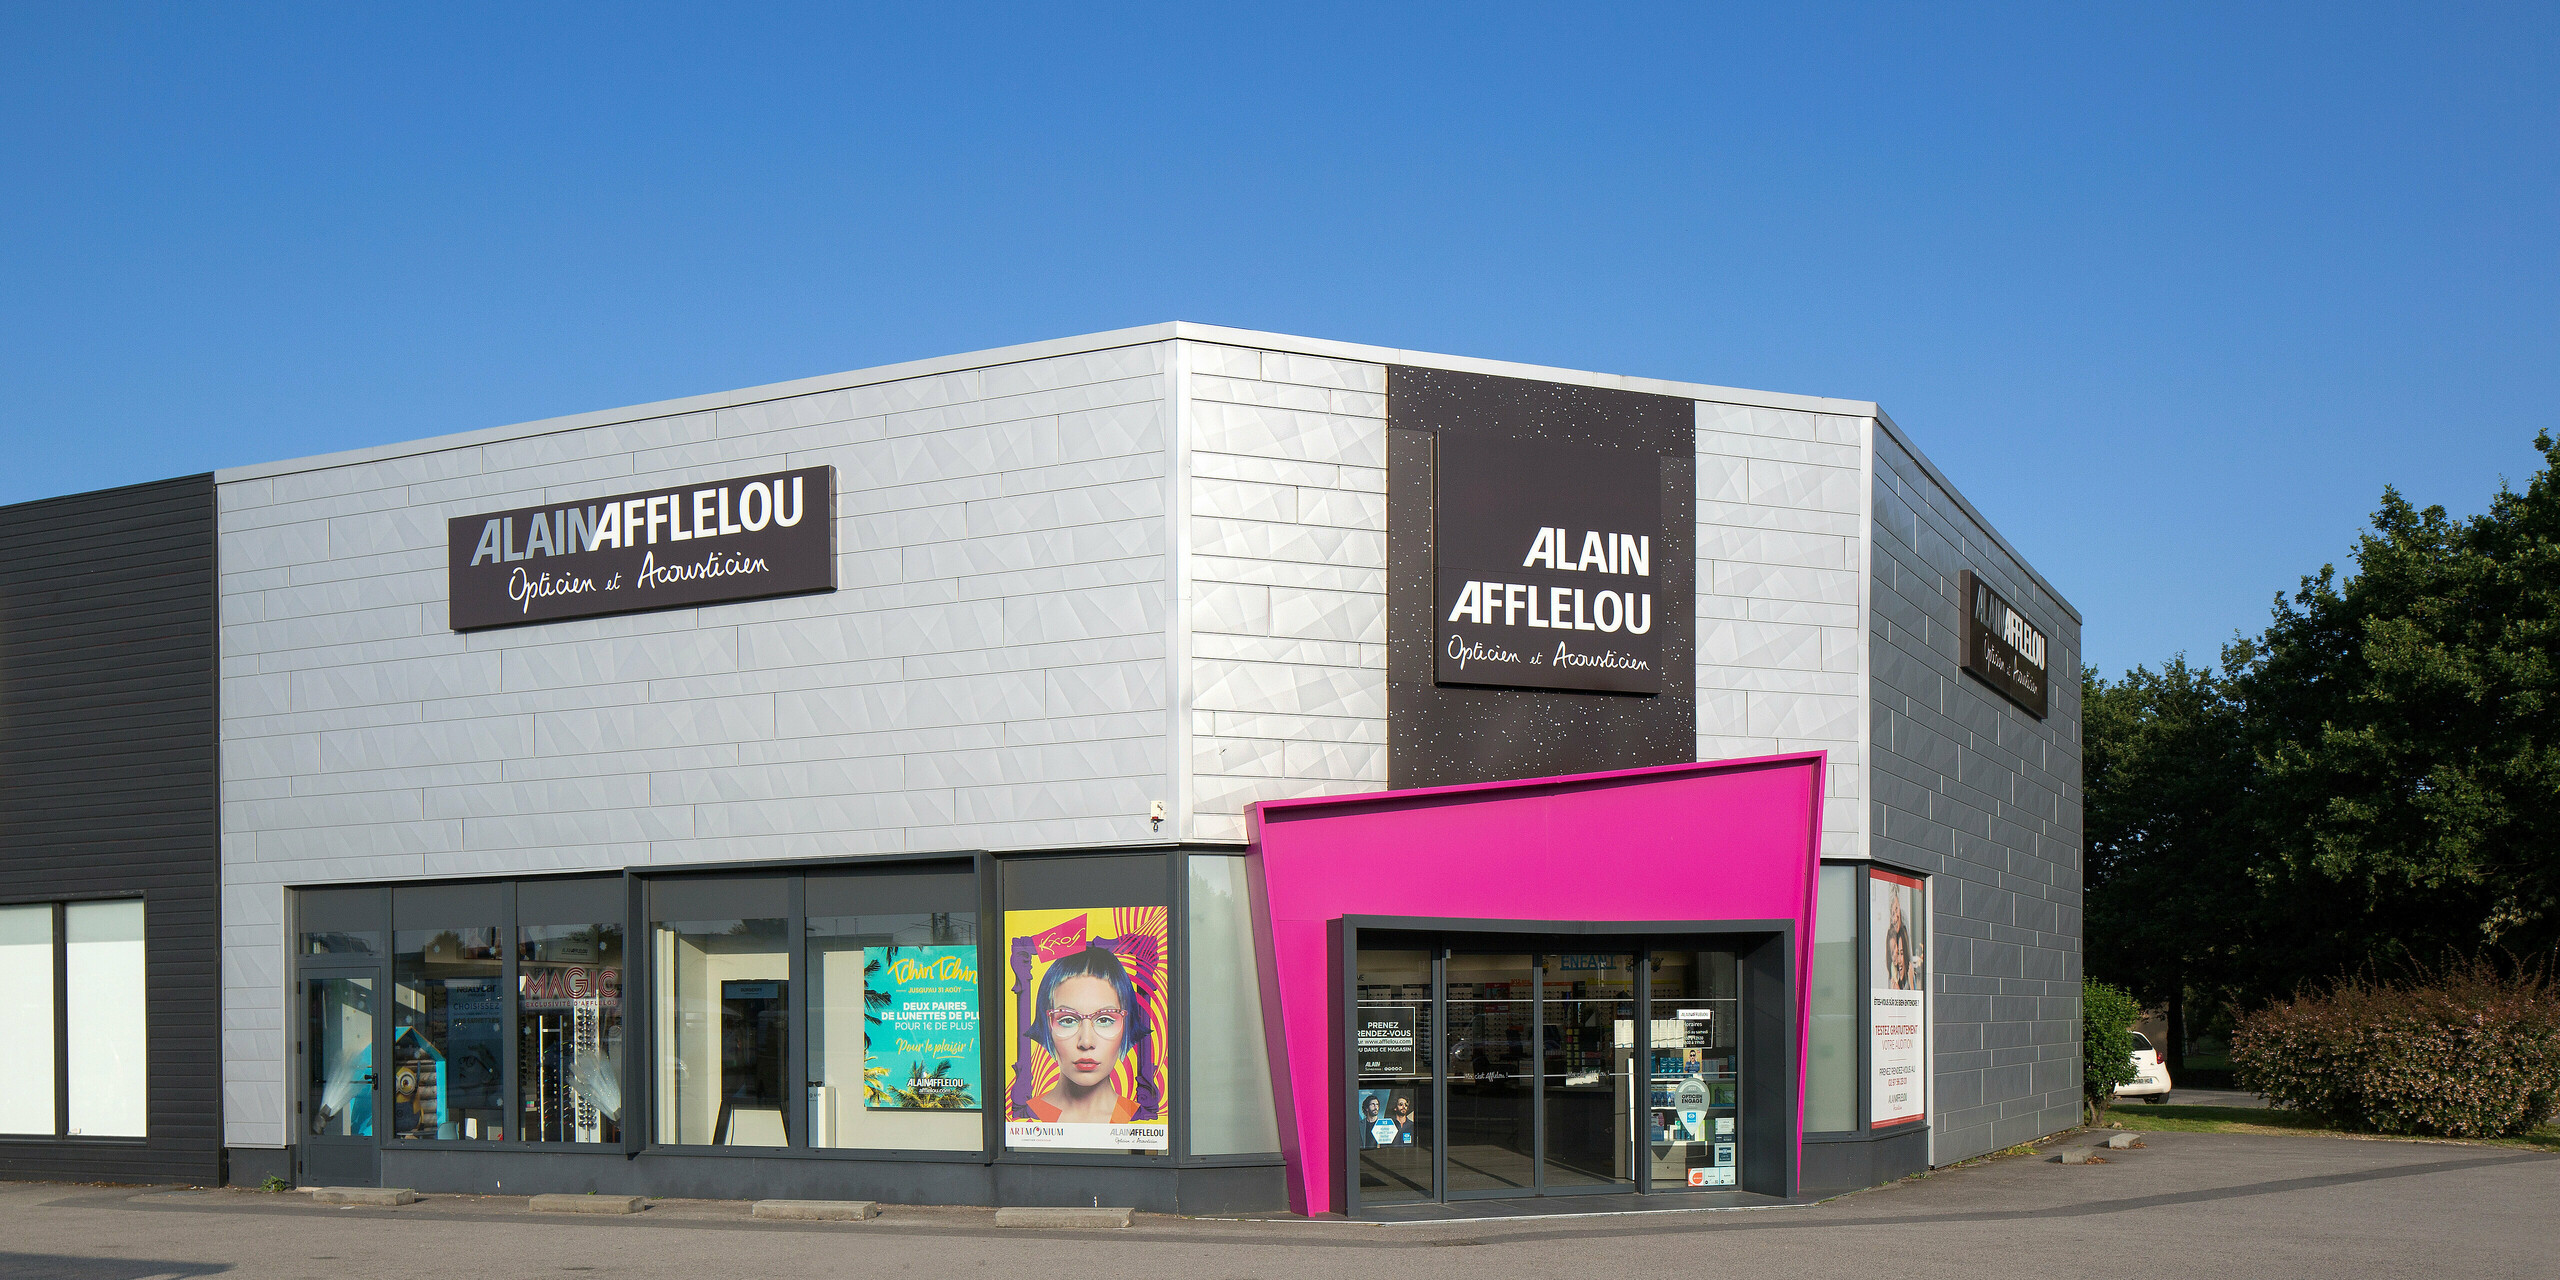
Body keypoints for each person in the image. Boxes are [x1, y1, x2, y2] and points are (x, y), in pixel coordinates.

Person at [1023, 945, 1148, 1124]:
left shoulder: (1137, 1118)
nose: (1086, 1042)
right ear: (1046, 1026)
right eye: (1067, 1020)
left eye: (1105, 1019)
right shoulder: (1029, 1117)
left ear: (1127, 1026)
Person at [1884, 889, 1924, 991]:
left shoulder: (1905, 926)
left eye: (1897, 909)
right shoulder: (1893, 979)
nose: (1896, 917)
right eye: (1893, 913)